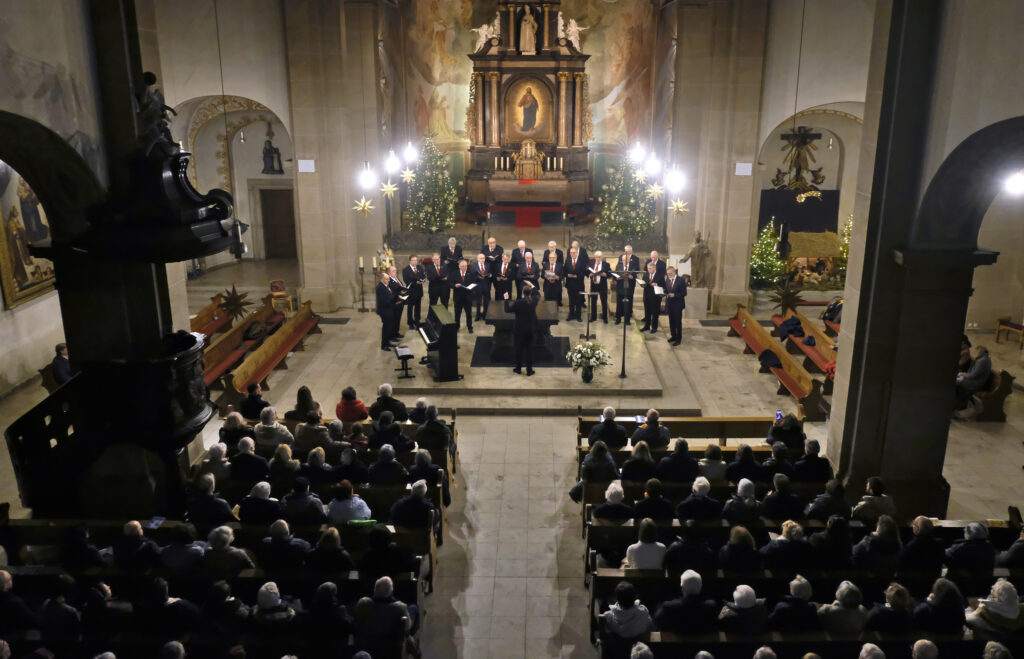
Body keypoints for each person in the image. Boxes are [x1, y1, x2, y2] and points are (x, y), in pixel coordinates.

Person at [354, 576, 419, 657]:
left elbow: (357, 622)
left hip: (368, 644)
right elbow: (406, 628)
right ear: (391, 591)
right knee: (413, 608)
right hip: (391, 648)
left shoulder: (363, 603)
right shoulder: (400, 607)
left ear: (375, 589)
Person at [653, 570, 718, 634]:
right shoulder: (711, 608)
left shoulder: (668, 607)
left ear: (682, 588)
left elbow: (657, 623)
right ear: (700, 587)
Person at [897, 515, 946, 587]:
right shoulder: (939, 544)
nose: (912, 527)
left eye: (914, 525)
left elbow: (901, 564)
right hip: (933, 583)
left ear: (917, 529)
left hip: (915, 585)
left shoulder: (911, 547)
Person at [504, 287, 540, 375]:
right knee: (529, 351)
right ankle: (529, 370)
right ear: (530, 293)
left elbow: (507, 310)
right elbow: (538, 294)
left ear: (522, 293)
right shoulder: (533, 302)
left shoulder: (518, 302)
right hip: (530, 330)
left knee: (518, 350)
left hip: (519, 330)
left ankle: (518, 369)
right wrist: (532, 286)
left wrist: (506, 299)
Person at [0, 570, 38, 634]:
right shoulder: (14, 601)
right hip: (11, 636)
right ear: (6, 584)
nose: (12, 580)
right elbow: (32, 620)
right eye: (10, 579)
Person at [956, 344, 993, 409]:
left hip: (975, 383)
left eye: (976, 351)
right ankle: (960, 402)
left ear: (980, 352)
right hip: (974, 380)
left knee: (955, 381)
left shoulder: (982, 361)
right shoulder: (983, 359)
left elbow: (973, 375)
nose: (973, 352)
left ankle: (961, 404)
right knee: (956, 379)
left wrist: (963, 374)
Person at [449, 258, 477, 333]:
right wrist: (455, 285)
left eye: (465, 266)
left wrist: (471, 287)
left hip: (468, 296)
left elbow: (474, 282)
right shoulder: (454, 273)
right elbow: (450, 283)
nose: (464, 268)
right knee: (457, 313)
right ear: (459, 266)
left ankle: (470, 327)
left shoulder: (470, 273)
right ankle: (457, 327)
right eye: (462, 266)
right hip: (458, 296)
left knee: (469, 313)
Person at [660, 265, 687, 345]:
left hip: (678, 304)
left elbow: (684, 293)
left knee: (677, 322)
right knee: (671, 321)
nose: (669, 275)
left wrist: (675, 295)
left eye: (670, 273)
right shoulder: (668, 280)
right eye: (668, 274)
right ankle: (673, 336)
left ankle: (678, 339)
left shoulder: (680, 280)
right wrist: (661, 292)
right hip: (670, 304)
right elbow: (666, 290)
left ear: (674, 272)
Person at [638, 261, 664, 333]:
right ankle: (647, 326)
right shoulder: (646, 274)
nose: (648, 270)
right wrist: (642, 284)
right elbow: (644, 283)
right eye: (648, 268)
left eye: (650, 268)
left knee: (655, 313)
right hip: (647, 296)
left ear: (654, 268)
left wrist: (656, 284)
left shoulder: (660, 276)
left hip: (656, 297)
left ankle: (654, 328)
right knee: (647, 312)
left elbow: (663, 286)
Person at [376, 271, 398, 351]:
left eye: (388, 279)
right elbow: (384, 301)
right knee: (386, 328)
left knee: (389, 327)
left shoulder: (386, 286)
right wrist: (395, 300)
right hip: (385, 311)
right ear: (382, 279)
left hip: (389, 309)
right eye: (386, 279)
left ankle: (387, 342)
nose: (388, 280)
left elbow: (390, 296)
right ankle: (384, 345)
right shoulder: (380, 288)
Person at [565, 246, 587, 321]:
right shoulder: (567, 260)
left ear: (577, 253)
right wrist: (567, 275)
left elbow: (584, 272)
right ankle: (571, 315)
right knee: (571, 301)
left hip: (579, 284)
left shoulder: (582, 261)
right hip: (570, 284)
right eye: (571, 253)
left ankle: (578, 316)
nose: (572, 254)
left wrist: (576, 276)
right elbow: (564, 270)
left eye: (574, 253)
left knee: (578, 301)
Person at [402, 255, 425, 328]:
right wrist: (416, 282)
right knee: (410, 308)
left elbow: (423, 276)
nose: (415, 262)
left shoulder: (420, 267)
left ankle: (417, 320)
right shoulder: (406, 270)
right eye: (413, 260)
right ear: (410, 261)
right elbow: (406, 281)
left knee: (418, 307)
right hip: (411, 291)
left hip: (419, 291)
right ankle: (410, 322)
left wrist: (423, 280)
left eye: (416, 260)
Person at [589, 250, 611, 323]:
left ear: (602, 257)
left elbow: (610, 273)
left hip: (602, 285)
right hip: (594, 285)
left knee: (604, 301)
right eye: (596, 257)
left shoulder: (606, 264)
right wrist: (590, 275)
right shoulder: (591, 264)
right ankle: (593, 317)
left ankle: (605, 318)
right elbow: (587, 272)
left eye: (599, 257)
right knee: (593, 302)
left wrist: (605, 275)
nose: (597, 259)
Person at [472, 252, 492, 320]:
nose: (482, 259)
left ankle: (485, 315)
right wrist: (477, 277)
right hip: (478, 286)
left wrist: (490, 275)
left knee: (486, 302)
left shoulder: (488, 265)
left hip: (486, 285)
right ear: (478, 259)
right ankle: (478, 315)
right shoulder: (473, 266)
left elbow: (490, 273)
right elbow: (472, 277)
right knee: (478, 302)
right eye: (481, 258)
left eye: (483, 258)